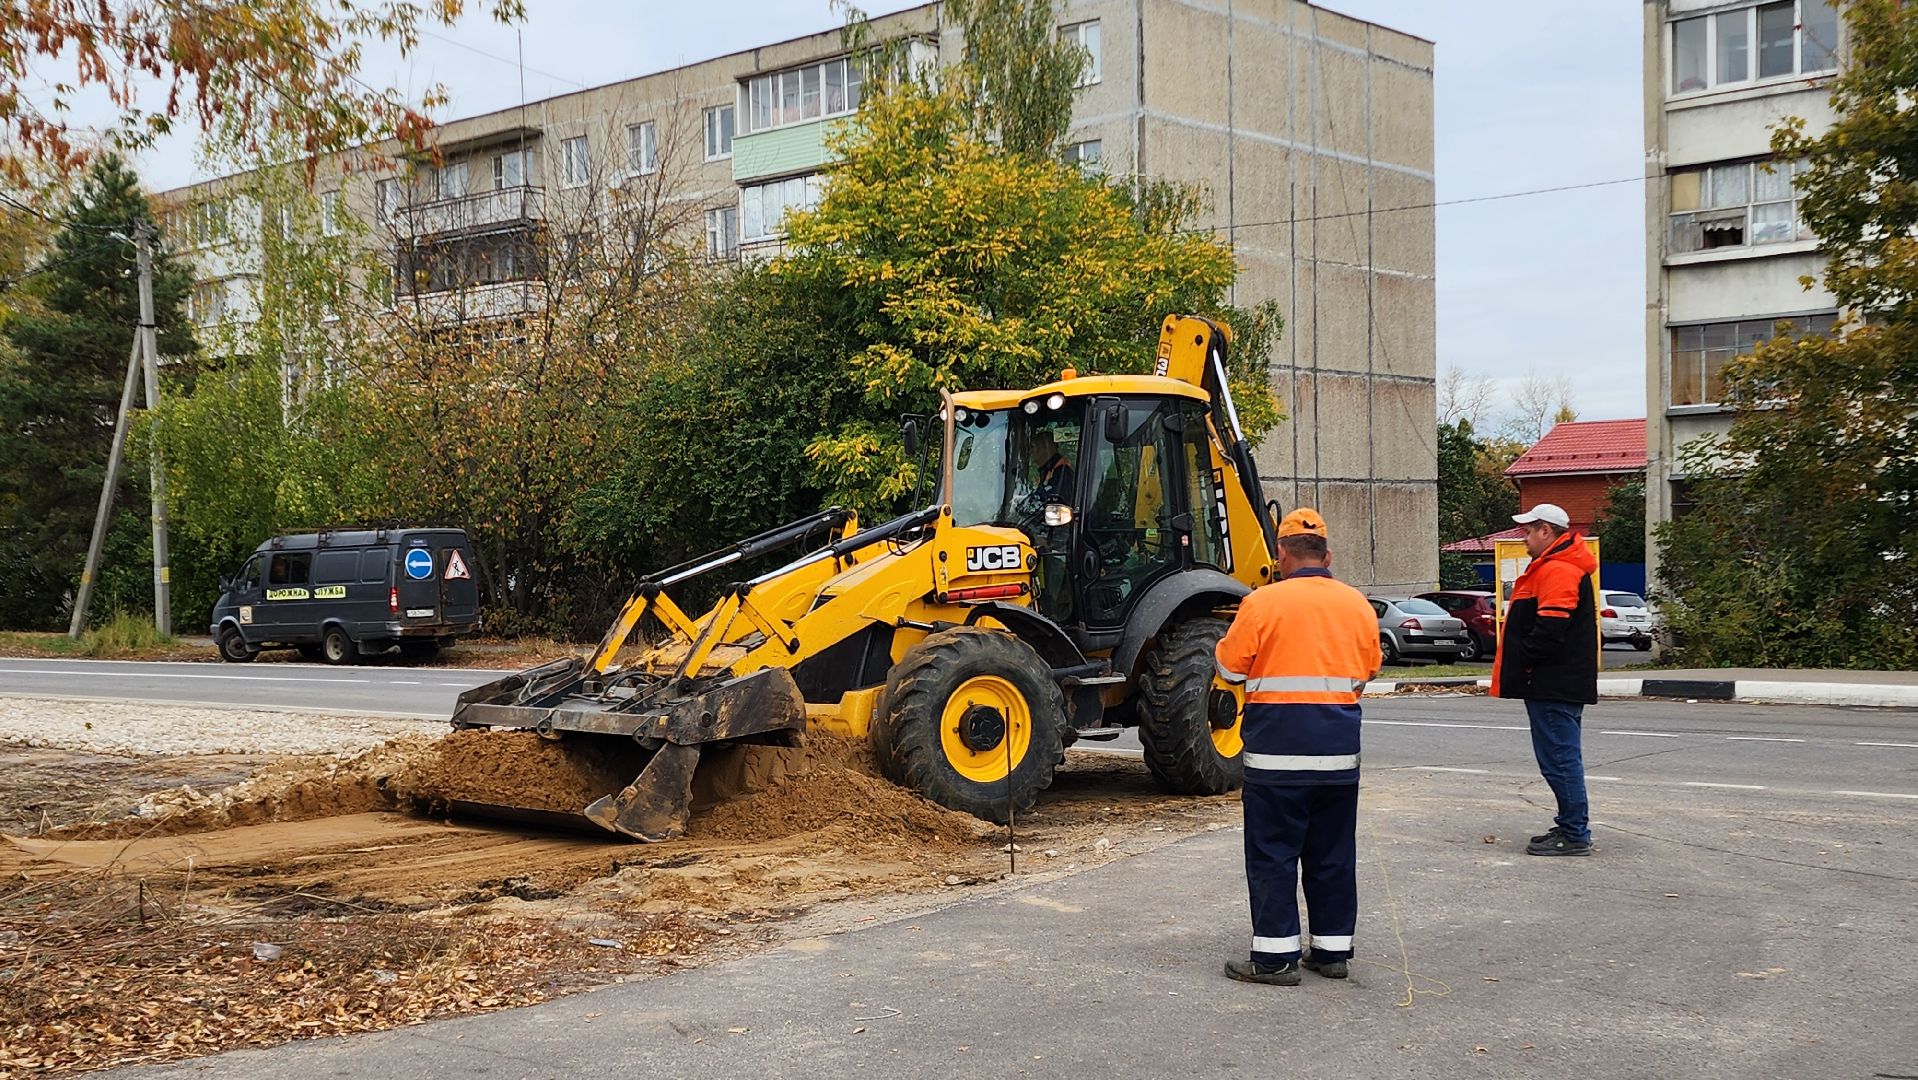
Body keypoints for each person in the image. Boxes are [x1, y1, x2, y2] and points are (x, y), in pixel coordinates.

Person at [1214, 508, 1382, 986]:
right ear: (1327, 555)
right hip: (1338, 754)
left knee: (1273, 854)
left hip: (1277, 754)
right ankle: (1331, 952)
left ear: (1282, 554)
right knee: (1332, 853)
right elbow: (1367, 673)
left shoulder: (1262, 604)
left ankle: (1274, 958)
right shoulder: (1357, 605)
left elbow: (1229, 669)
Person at [1492, 503, 1600, 857]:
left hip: (1552, 683)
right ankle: (1571, 824)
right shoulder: (1556, 567)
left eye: (1529, 531)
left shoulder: (1558, 570)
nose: (1524, 538)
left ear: (1546, 531)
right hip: (1556, 681)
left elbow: (1551, 628)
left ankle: (1574, 833)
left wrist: (1525, 665)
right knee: (1560, 756)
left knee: (1560, 758)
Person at [1029, 430, 1075, 506]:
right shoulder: (1046, 469)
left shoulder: (1063, 471)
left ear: (1046, 447)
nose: (1030, 451)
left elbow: (1059, 501)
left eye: (1033, 447)